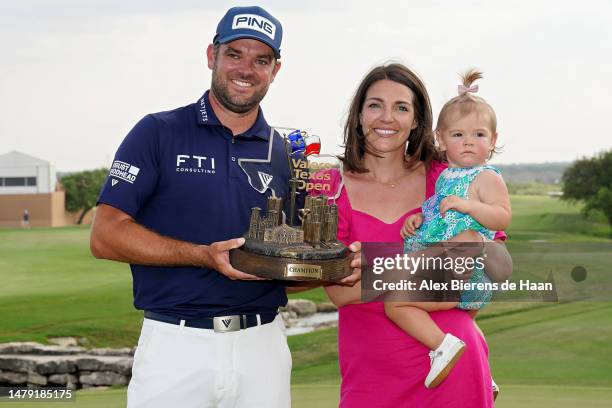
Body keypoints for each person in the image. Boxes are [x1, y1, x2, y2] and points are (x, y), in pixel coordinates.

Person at [90, 6, 359, 408]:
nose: (246, 68)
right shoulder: (158, 131)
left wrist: (333, 268)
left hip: (262, 348)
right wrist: (203, 256)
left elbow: (288, 267)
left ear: (275, 70)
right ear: (211, 56)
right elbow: (105, 235)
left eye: (261, 59)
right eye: (235, 54)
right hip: (174, 346)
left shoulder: (287, 154)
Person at [324, 63, 512, 407]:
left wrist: (373, 262)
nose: (386, 118)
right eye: (375, 105)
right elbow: (338, 292)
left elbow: (493, 267)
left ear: (417, 121)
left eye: (401, 107)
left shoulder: (446, 176)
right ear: (359, 115)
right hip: (371, 373)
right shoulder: (332, 189)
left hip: (454, 360)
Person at [386, 69, 511, 389]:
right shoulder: (446, 178)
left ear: (493, 141)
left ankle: (442, 345)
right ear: (441, 140)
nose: (469, 141)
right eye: (458, 135)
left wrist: (470, 206)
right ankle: (484, 369)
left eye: (479, 135)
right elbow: (440, 214)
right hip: (452, 266)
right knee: (464, 322)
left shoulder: (486, 178)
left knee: (396, 303)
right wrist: (417, 220)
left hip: (467, 271)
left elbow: (501, 217)